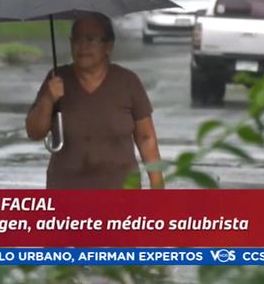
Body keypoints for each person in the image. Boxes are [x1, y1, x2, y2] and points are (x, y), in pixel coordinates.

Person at [25, 13, 165, 189]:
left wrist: (157, 184)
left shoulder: (128, 82)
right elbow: (34, 132)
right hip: (67, 192)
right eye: (76, 40)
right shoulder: (57, 79)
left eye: (90, 39)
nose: (82, 46)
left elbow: (146, 137)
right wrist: (48, 99)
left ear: (109, 46)